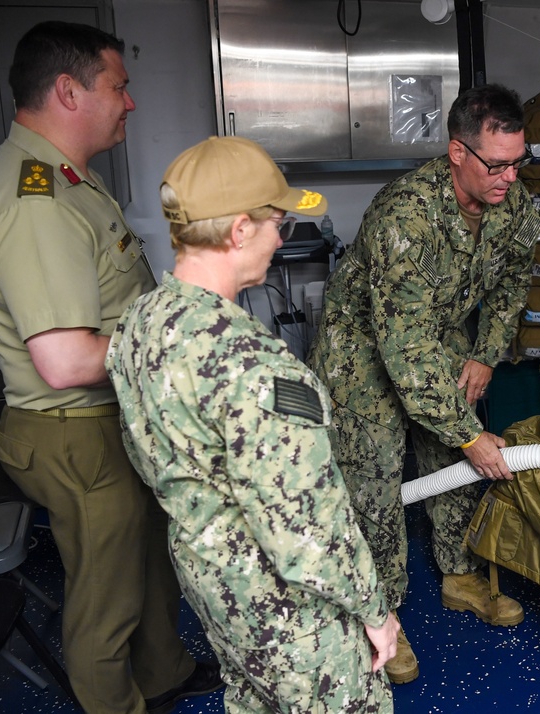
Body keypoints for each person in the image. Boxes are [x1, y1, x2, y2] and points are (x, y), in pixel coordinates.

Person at [0, 21, 221, 713]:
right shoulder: (34, 202)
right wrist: (179, 345)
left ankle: (163, 673)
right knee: (104, 599)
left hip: (110, 417)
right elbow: (64, 359)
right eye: (119, 87)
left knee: (147, 564)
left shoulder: (69, 178)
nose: (129, 103)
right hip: (74, 429)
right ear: (69, 90)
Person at [105, 135, 399, 714]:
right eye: (278, 225)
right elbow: (305, 530)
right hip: (289, 612)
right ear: (241, 230)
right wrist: (375, 610)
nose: (279, 238)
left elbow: (143, 451)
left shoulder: (142, 319)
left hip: (209, 578)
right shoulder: (249, 365)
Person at [307, 83, 540, 684]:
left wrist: (487, 354)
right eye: (496, 164)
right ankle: (380, 615)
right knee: (376, 480)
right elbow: (403, 350)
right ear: (457, 151)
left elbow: (514, 281)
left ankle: (458, 575)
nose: (509, 177)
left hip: (438, 335)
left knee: (449, 460)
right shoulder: (404, 215)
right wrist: (472, 435)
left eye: (519, 161)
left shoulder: (513, 204)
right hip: (362, 351)